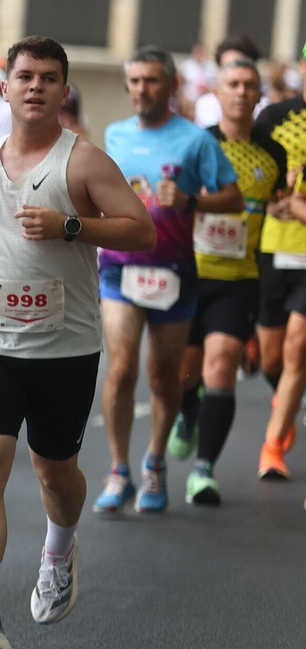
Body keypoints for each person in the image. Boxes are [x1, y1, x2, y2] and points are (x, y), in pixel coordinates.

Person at [0, 37, 153, 649]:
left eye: (47, 77)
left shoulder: (84, 161)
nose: (35, 86)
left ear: (64, 91)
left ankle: (59, 549)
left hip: (64, 344)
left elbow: (141, 229)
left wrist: (70, 225)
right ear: (5, 88)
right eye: (24, 76)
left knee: (54, 472)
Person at [94, 47, 242, 514]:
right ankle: (119, 470)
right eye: (135, 80)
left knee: (164, 376)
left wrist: (191, 200)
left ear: (173, 85)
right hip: (119, 266)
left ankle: (154, 460)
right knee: (121, 368)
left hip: (173, 269)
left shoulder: (196, 141)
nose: (142, 89)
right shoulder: (114, 134)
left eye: (152, 80)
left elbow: (233, 198)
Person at [169, 58, 283, 503]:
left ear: (259, 96)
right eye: (232, 84)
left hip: (240, 278)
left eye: (249, 85)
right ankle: (188, 410)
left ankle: (204, 471)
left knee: (221, 365)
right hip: (189, 272)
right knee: (183, 374)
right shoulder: (197, 145)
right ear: (216, 92)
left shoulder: (273, 154)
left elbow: (279, 208)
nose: (241, 92)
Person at [252, 54, 306, 479]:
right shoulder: (273, 118)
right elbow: (255, 177)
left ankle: (272, 446)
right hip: (273, 247)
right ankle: (286, 399)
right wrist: (273, 198)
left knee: (297, 348)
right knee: (272, 359)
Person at [192, 35, 263, 129]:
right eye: (226, 67)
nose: (241, 92)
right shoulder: (205, 106)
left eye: (240, 65)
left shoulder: (266, 112)